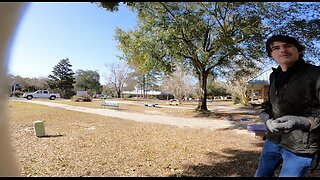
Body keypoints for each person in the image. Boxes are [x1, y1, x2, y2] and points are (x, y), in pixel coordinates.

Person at [255, 34, 320, 177]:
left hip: (300, 147)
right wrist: (265, 117)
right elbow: (270, 105)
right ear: (271, 54)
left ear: (299, 50)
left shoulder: (316, 74)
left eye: (287, 45)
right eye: (276, 48)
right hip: (272, 140)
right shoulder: (273, 76)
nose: (282, 50)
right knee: (261, 175)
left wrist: (304, 122)